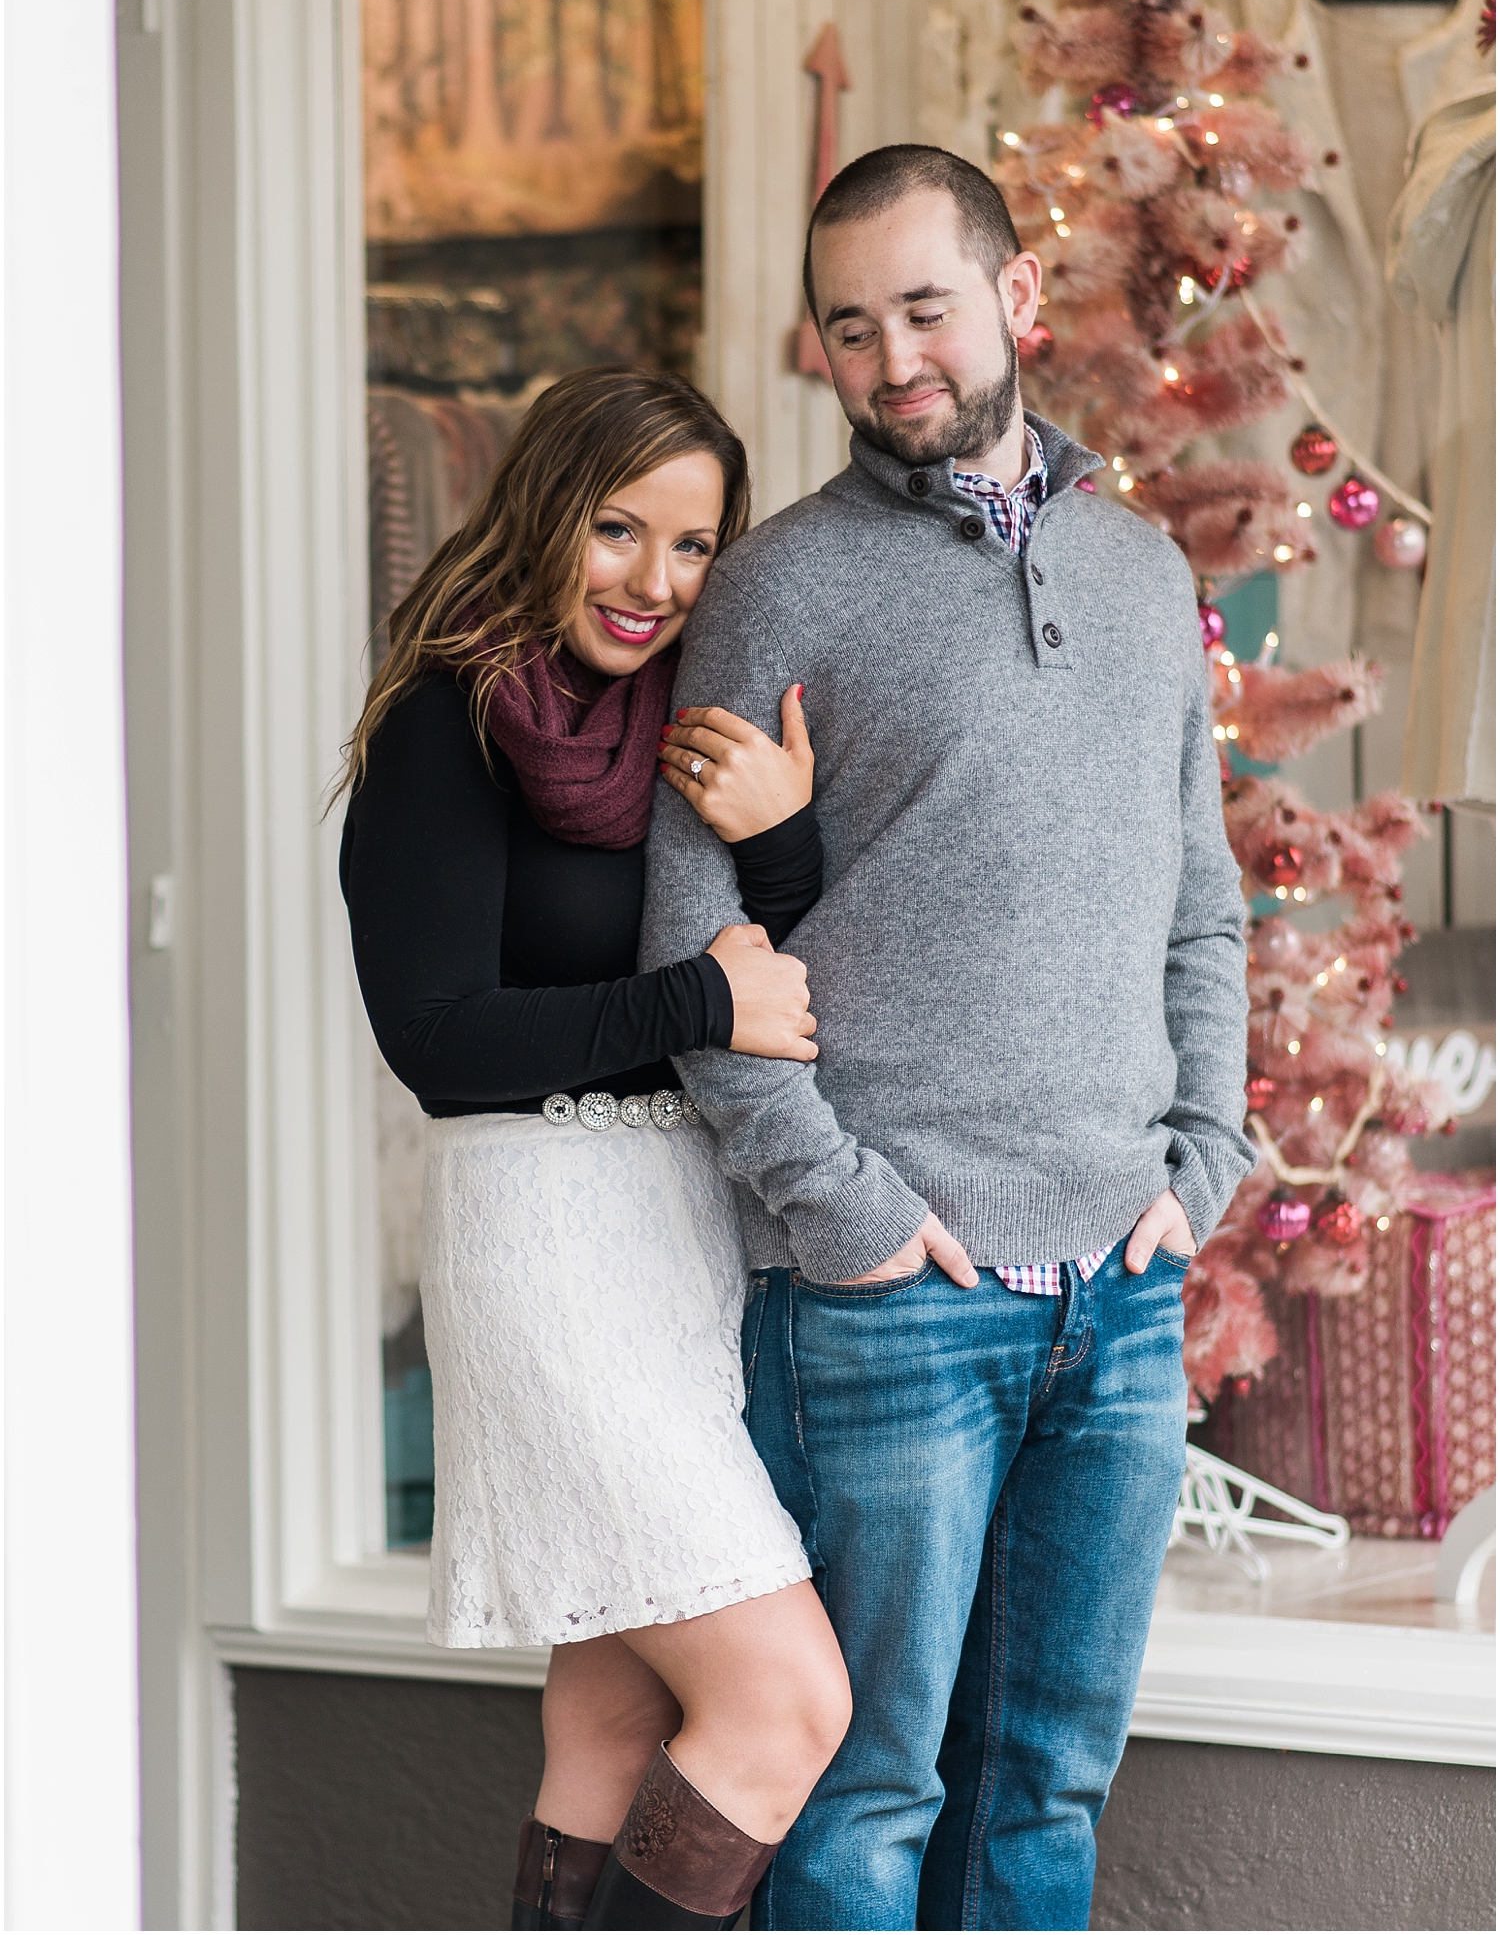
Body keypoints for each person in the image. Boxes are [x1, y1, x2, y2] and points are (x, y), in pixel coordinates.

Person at [645, 145, 1256, 1933]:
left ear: (1015, 300)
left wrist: (1202, 1163)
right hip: (889, 1296)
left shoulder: (1146, 578)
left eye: (924, 307)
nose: (894, 356)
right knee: (862, 1799)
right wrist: (838, 1213)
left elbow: (1201, 906)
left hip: (1122, 1291)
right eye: (852, 328)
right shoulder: (775, 588)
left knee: (1045, 1784)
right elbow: (698, 940)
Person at [338, 366, 852, 1933]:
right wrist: (697, 995)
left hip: (678, 1238)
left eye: (696, 547)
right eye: (620, 530)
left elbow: (762, 940)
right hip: (547, 1238)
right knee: (784, 1702)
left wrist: (780, 834)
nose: (655, 582)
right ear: (547, 510)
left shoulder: (674, 721)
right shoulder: (450, 717)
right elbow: (436, 1037)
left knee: (618, 1722)